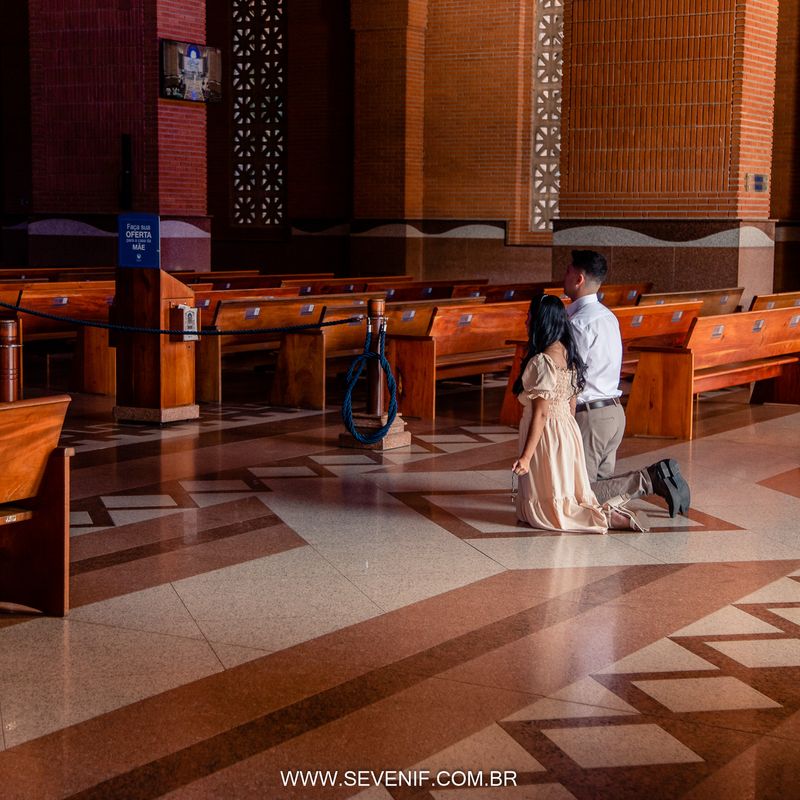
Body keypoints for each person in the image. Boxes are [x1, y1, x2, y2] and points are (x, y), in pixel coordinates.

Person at [563, 249, 690, 517]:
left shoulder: (579, 323)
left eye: (568, 271)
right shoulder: (608, 317)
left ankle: (651, 478)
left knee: (578, 496)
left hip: (591, 417)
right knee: (600, 494)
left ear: (579, 279)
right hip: (612, 411)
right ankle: (656, 477)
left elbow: (573, 374)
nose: (565, 275)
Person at [511, 294, 645, 533]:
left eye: (529, 317)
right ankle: (608, 513)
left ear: (540, 322)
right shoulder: (569, 357)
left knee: (554, 506)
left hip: (547, 431)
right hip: (566, 428)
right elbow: (571, 404)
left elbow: (541, 414)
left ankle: (608, 518)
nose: (526, 322)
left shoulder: (542, 361)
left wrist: (526, 457)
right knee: (568, 489)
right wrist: (568, 436)